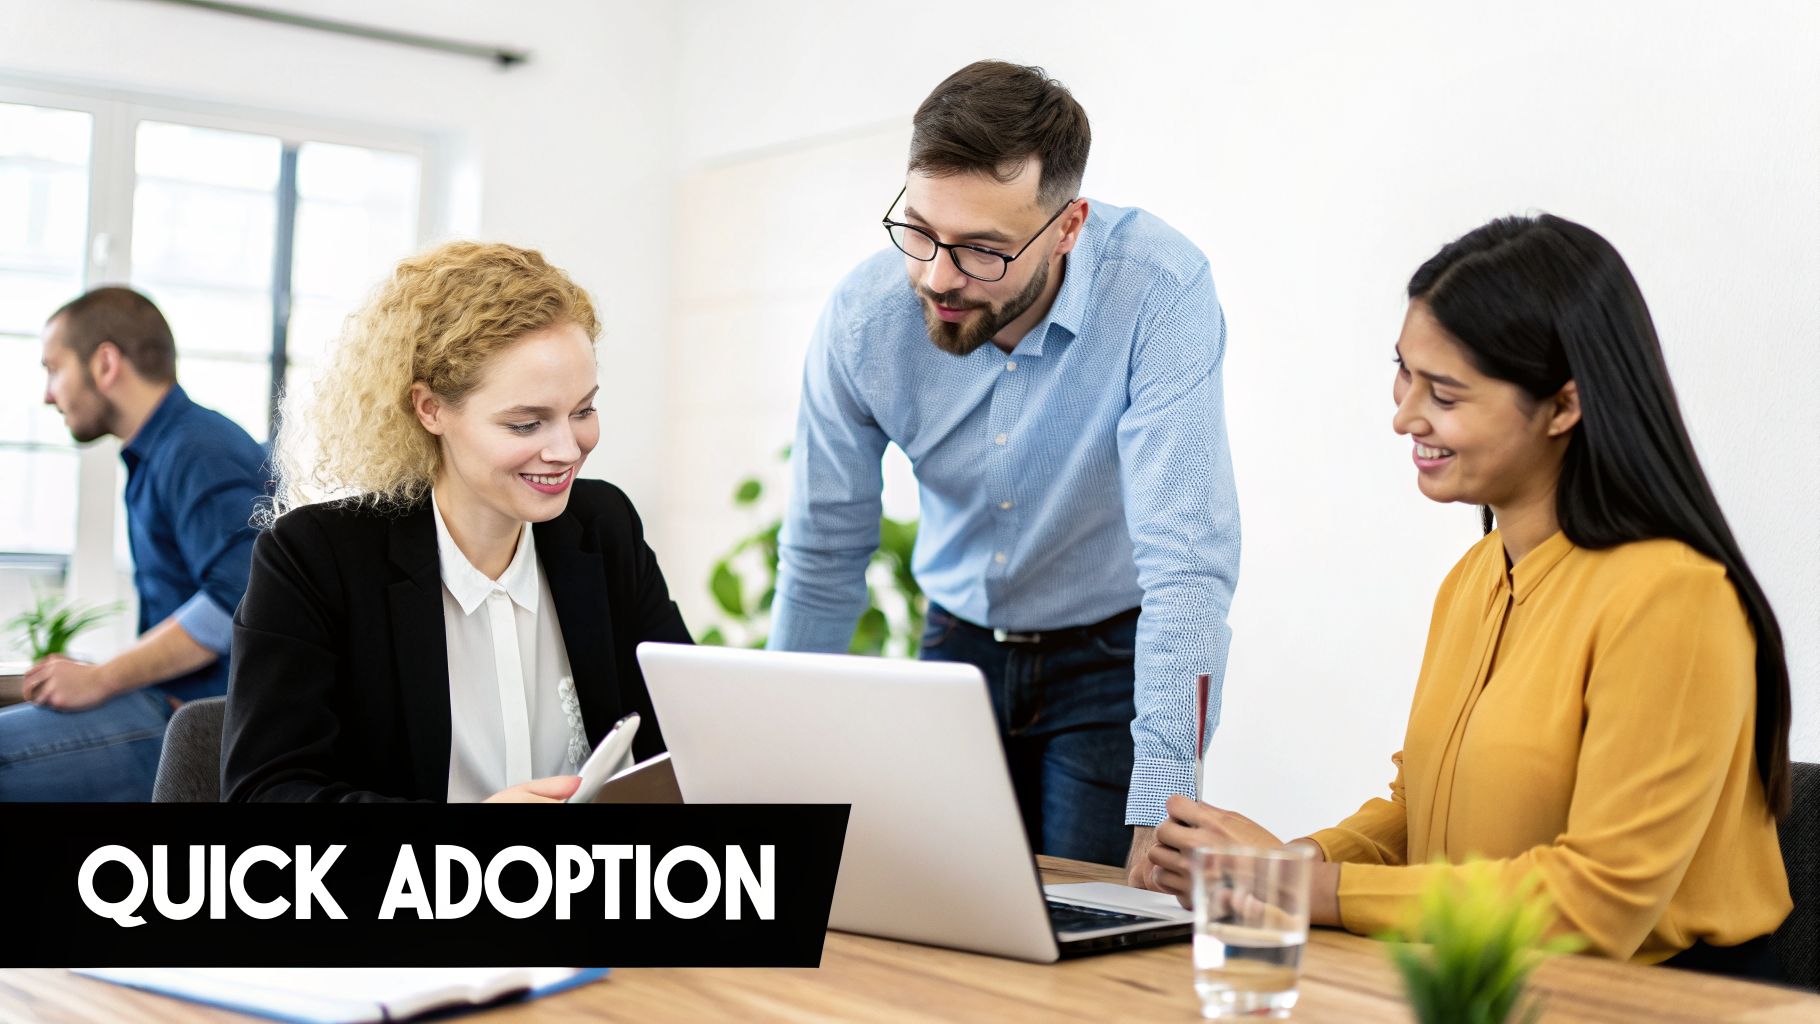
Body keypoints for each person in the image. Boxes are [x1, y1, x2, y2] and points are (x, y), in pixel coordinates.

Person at [1147, 215, 1793, 976]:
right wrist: (1286, 863)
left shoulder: (1674, 598)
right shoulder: (1477, 575)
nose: (1404, 416)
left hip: (1656, 1000)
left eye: (1446, 395)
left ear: (1564, 406)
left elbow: (1597, 908)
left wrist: (1307, 890)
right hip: (1478, 979)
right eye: (1405, 373)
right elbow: (1419, 812)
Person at [768, 60, 1240, 874]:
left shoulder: (1159, 291)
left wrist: (1161, 801)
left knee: (1090, 920)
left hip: (1110, 658)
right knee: (945, 904)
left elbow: (1186, 561)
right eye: (920, 231)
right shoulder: (863, 321)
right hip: (956, 646)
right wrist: (778, 763)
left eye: (983, 250)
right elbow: (825, 550)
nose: (937, 277)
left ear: (1068, 227)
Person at [221, 241, 692, 803]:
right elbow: (265, 794)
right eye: (526, 424)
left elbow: (689, 734)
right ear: (431, 409)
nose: (568, 449)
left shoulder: (604, 528)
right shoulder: (315, 558)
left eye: (583, 411)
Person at [1, 287, 265, 801]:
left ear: (105, 363)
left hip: (198, 727)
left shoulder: (196, 448)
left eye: (53, 369)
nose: (49, 395)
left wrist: (102, 678)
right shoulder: (166, 449)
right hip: (170, 706)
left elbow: (239, 598)